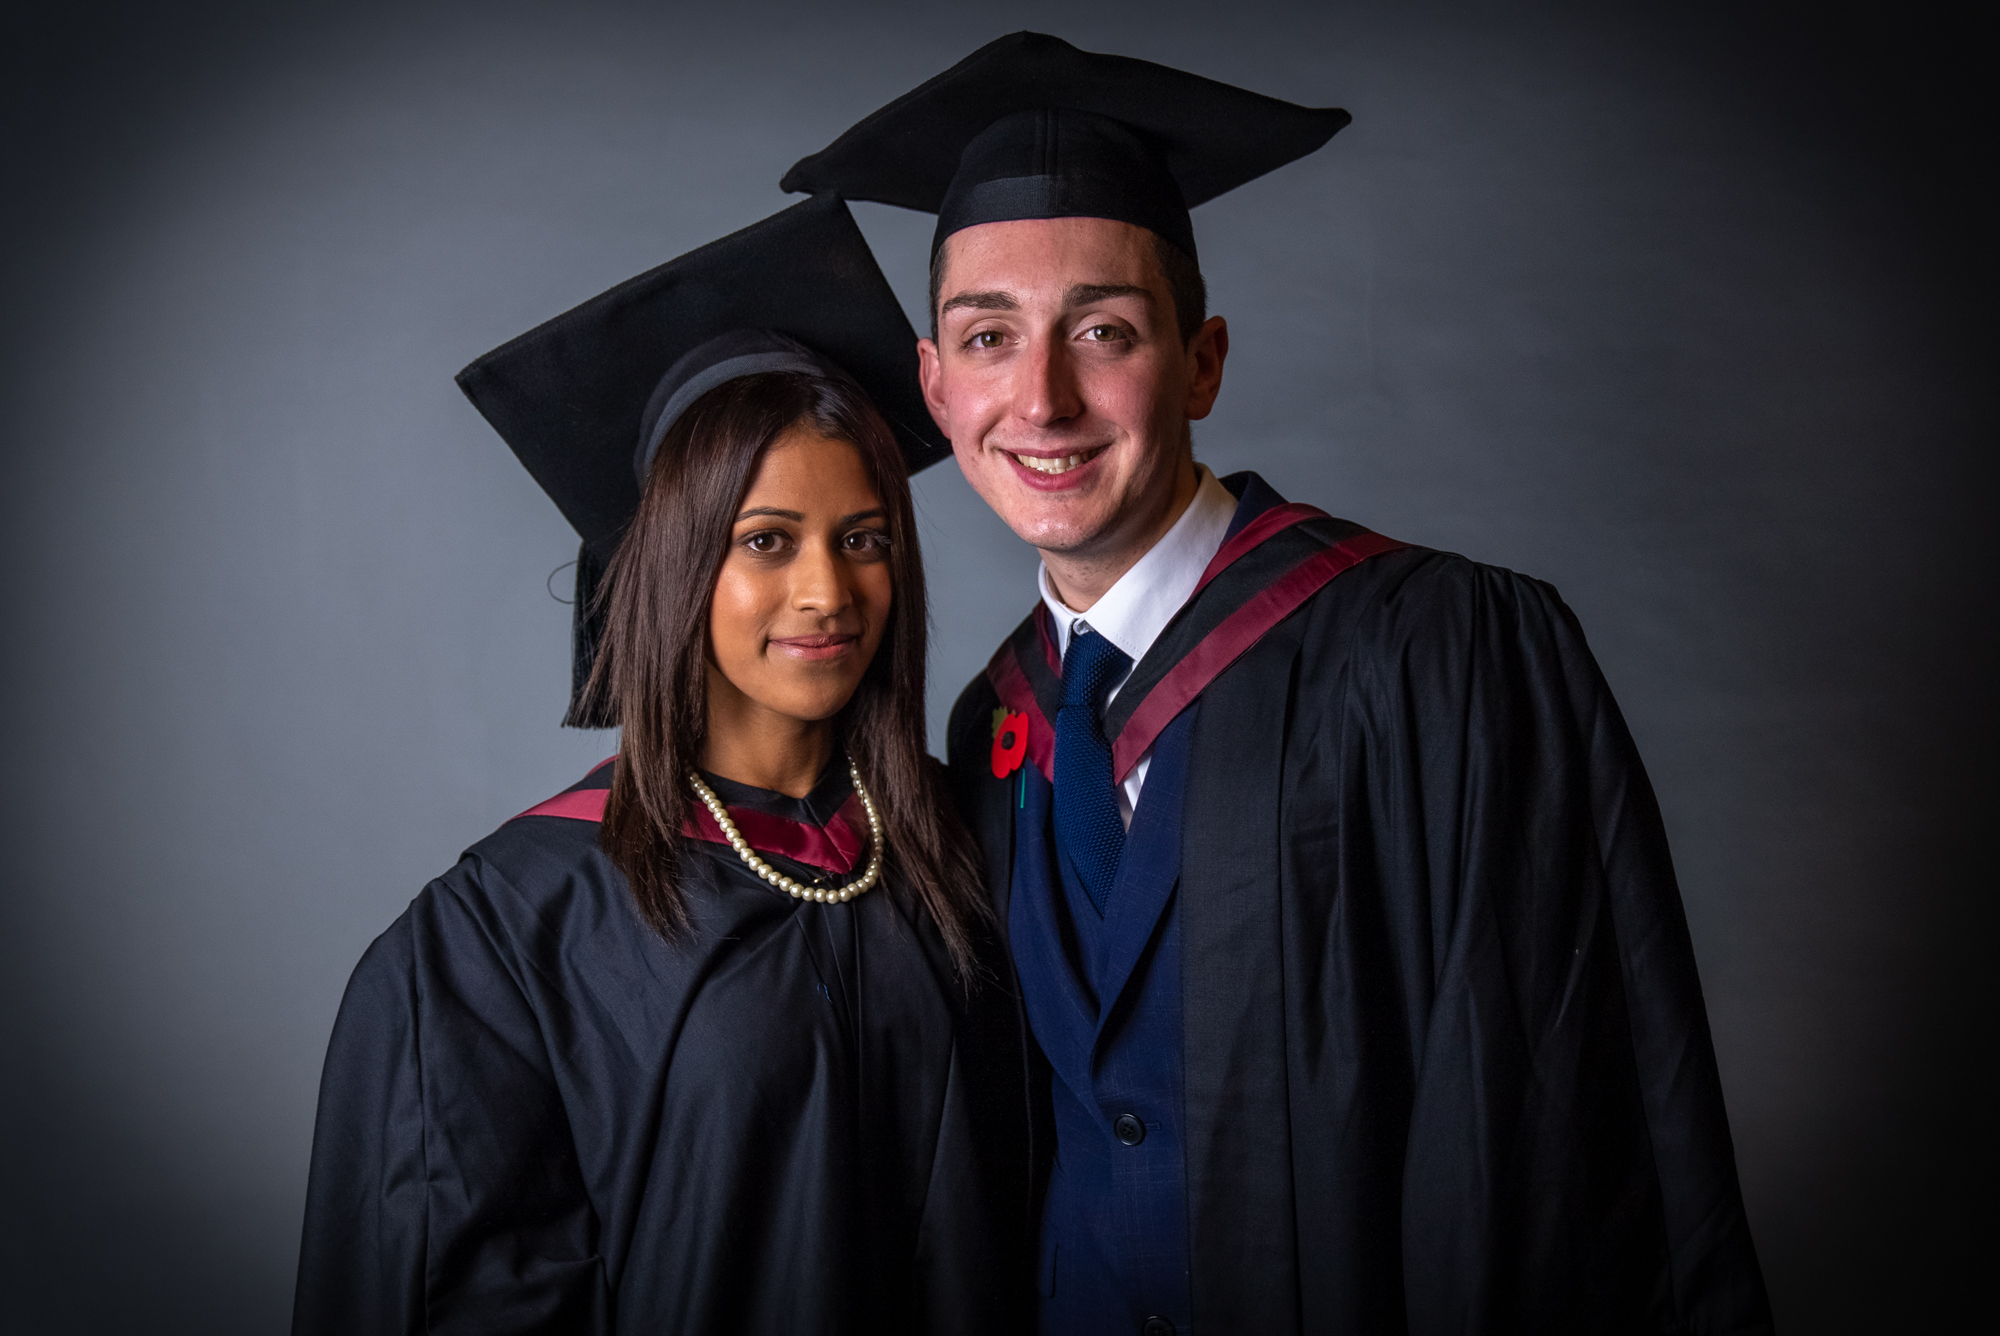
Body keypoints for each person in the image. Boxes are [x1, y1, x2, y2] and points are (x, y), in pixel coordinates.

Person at [784, 32, 1774, 1336]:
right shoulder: (997, 724)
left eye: (1105, 329)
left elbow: (1545, 1131)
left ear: (1202, 362)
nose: (1044, 395)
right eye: (988, 336)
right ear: (934, 387)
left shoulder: (1437, 655)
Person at [291, 196, 1031, 1335]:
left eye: (863, 538)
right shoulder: (504, 933)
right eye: (764, 540)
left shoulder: (968, 836)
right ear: (675, 564)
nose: (828, 592)